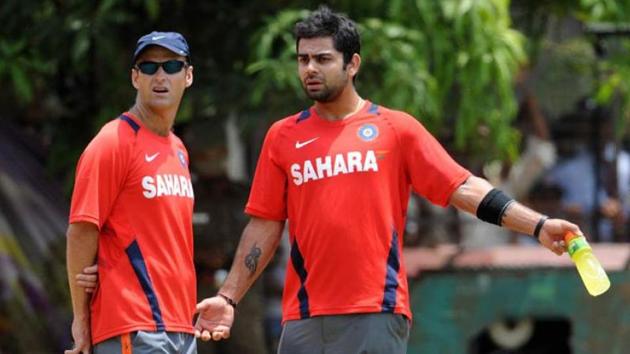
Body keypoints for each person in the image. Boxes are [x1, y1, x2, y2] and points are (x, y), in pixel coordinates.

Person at [193, 6, 580, 354]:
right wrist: (228, 298)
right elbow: (264, 224)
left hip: (376, 311)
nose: (310, 68)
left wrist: (539, 225)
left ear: (352, 64)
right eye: (303, 59)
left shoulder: (394, 129)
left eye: (323, 59)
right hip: (305, 316)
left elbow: (462, 187)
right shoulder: (282, 137)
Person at [65, 31, 196, 354]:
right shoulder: (113, 142)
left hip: (181, 326)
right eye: (149, 67)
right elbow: (81, 229)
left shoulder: (178, 149)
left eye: (171, 66)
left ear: (188, 75)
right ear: (135, 78)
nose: (160, 76)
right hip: (134, 327)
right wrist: (81, 319)